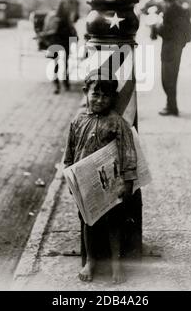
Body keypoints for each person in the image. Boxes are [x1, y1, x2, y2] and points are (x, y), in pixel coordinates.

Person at [64, 69, 137, 284]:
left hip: (111, 183)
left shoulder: (117, 123)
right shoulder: (77, 122)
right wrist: (70, 176)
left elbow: (128, 153)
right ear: (86, 92)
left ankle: (116, 263)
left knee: (114, 222)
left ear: (113, 98)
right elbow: (69, 152)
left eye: (106, 96)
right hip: (85, 184)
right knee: (89, 222)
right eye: (95, 94)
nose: (100, 100)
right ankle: (91, 261)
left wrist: (128, 180)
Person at [152, 0, 191, 116]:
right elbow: (188, 31)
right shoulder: (181, 9)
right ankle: (171, 105)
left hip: (169, 48)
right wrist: (182, 43)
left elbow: (167, 31)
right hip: (177, 47)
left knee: (167, 78)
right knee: (171, 78)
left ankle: (172, 107)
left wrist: (156, 27)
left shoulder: (170, 11)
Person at [45, 0, 78, 94]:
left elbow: (72, 25)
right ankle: (56, 83)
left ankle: (65, 81)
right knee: (56, 63)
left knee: (65, 62)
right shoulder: (54, 17)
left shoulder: (68, 18)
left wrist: (73, 35)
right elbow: (51, 30)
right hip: (55, 40)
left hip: (64, 39)